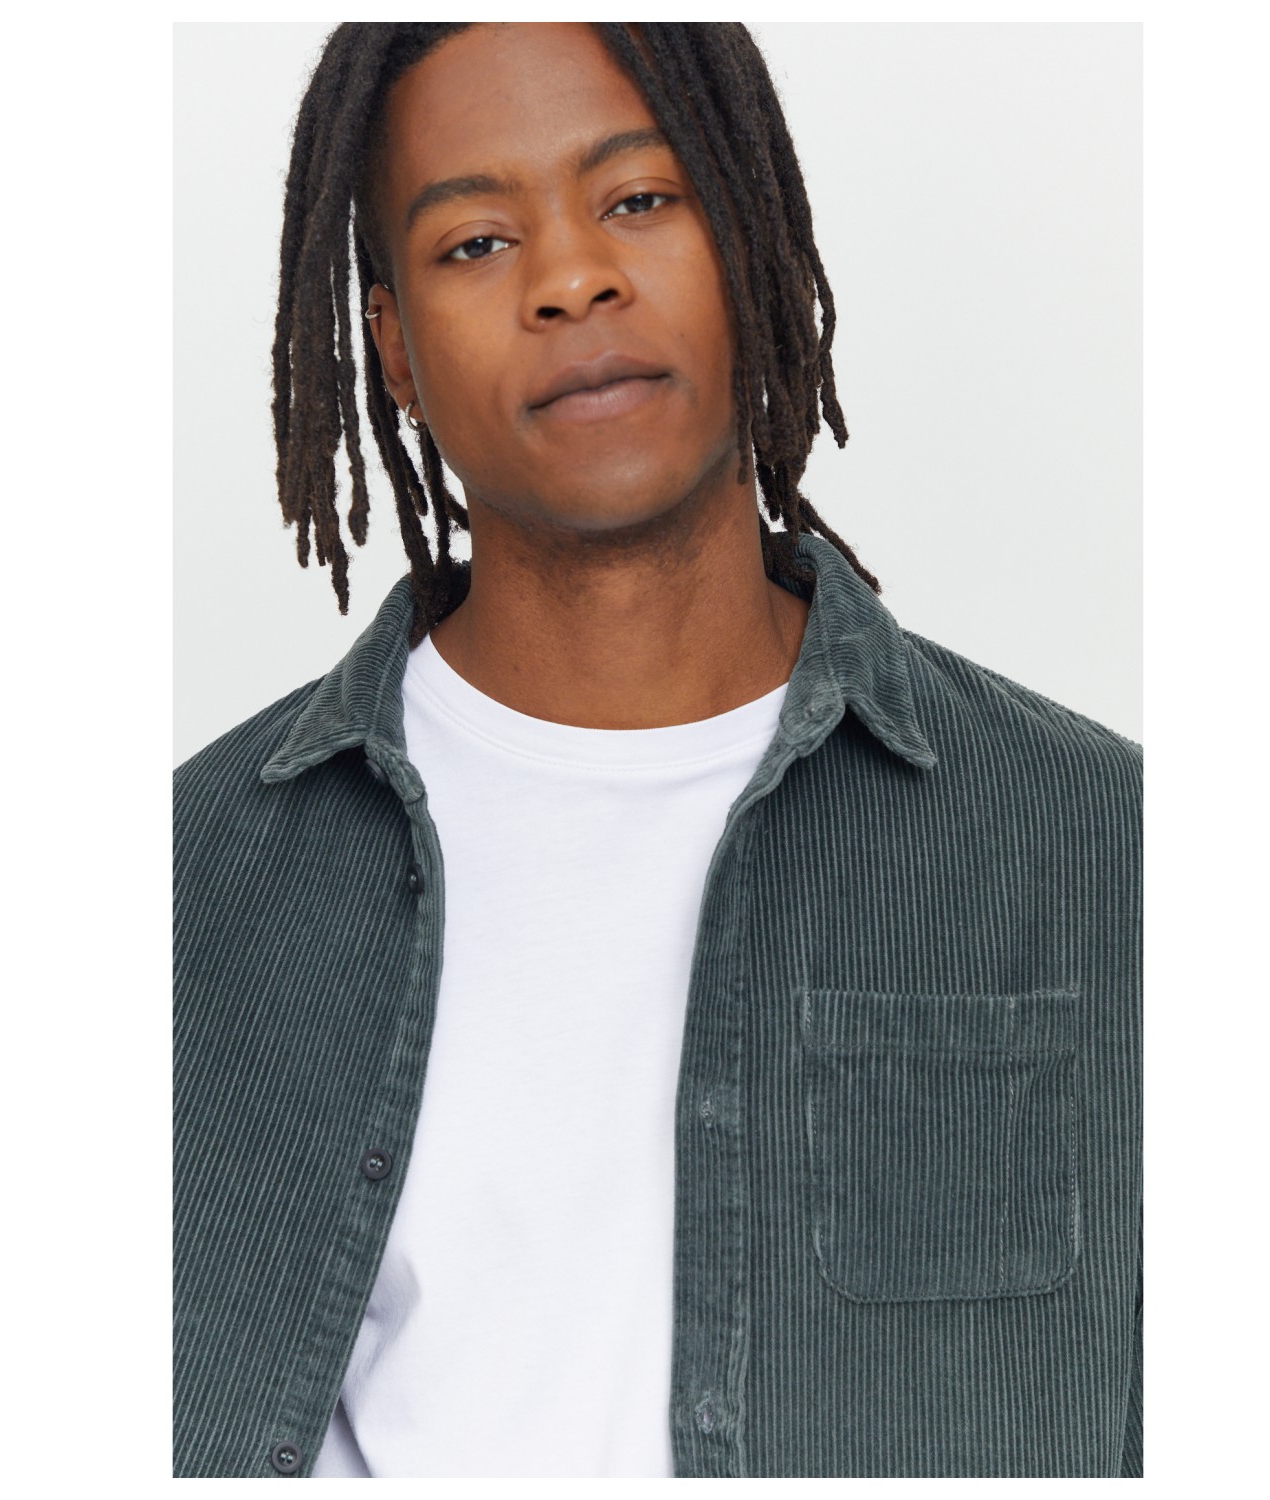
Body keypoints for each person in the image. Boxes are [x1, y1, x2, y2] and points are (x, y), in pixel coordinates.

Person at [173, 21, 1141, 1480]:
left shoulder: (1108, 850)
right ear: (397, 350)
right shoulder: (181, 892)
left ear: (749, 241)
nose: (571, 278)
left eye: (637, 199)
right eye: (477, 242)